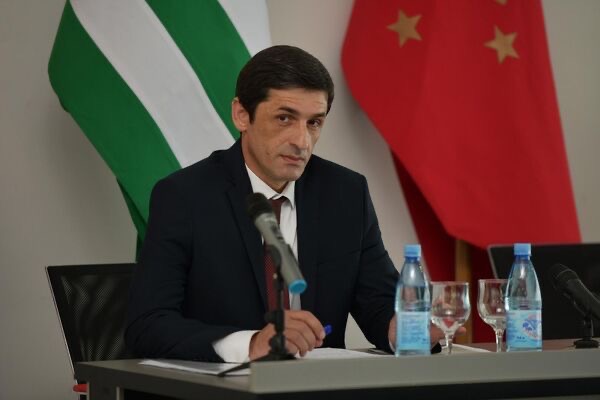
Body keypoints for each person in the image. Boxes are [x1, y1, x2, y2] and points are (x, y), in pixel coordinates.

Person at [125, 45, 442, 362]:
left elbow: (378, 302)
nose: (301, 141)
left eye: (314, 123)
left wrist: (402, 328)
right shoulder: (185, 196)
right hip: (226, 384)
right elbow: (148, 325)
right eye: (284, 118)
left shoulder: (345, 193)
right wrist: (252, 344)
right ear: (241, 115)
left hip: (318, 382)